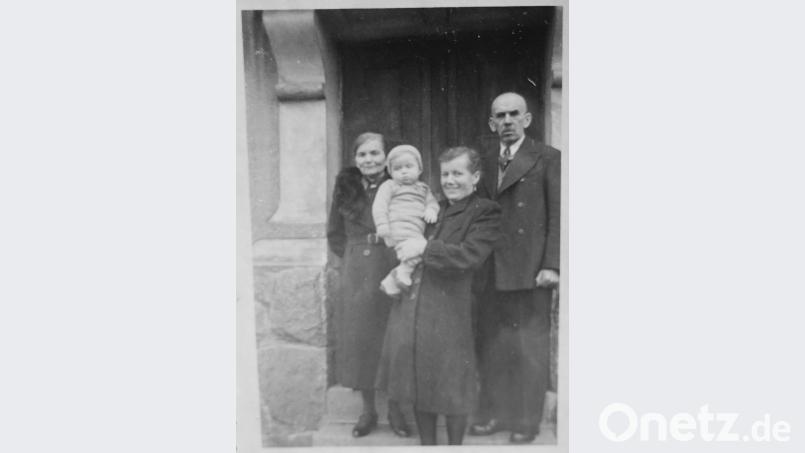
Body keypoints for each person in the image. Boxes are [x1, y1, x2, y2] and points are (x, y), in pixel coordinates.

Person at [375, 146, 502, 445]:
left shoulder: (484, 211)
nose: (450, 180)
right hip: (416, 306)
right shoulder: (434, 207)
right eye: (445, 174)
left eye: (458, 173)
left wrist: (425, 249)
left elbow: (470, 255)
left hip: (454, 309)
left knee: (453, 385)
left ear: (476, 176)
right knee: (420, 383)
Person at [469, 92, 561, 444]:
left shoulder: (547, 158)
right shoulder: (484, 158)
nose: (507, 121)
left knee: (528, 350)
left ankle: (526, 421)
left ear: (527, 120)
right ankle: (493, 414)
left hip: (530, 270)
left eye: (513, 114)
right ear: (492, 123)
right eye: (500, 116)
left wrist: (552, 264)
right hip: (489, 269)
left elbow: (559, 213)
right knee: (491, 347)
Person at [326, 132, 411, 438]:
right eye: (362, 154)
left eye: (375, 153)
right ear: (354, 159)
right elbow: (335, 234)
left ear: (386, 157)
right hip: (358, 269)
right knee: (361, 338)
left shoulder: (400, 184)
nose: (369, 160)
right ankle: (368, 410)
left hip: (392, 262)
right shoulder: (346, 187)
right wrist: (354, 259)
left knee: (394, 335)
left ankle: (398, 411)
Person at [372, 145, 439, 296]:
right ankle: (401, 273)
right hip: (397, 228)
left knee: (419, 251)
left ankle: (392, 280)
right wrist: (382, 224)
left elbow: (432, 202)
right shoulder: (389, 186)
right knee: (418, 253)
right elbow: (379, 206)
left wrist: (431, 210)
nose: (404, 171)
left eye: (409, 166)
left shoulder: (423, 189)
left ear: (419, 169)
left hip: (415, 230)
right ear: (391, 172)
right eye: (397, 168)